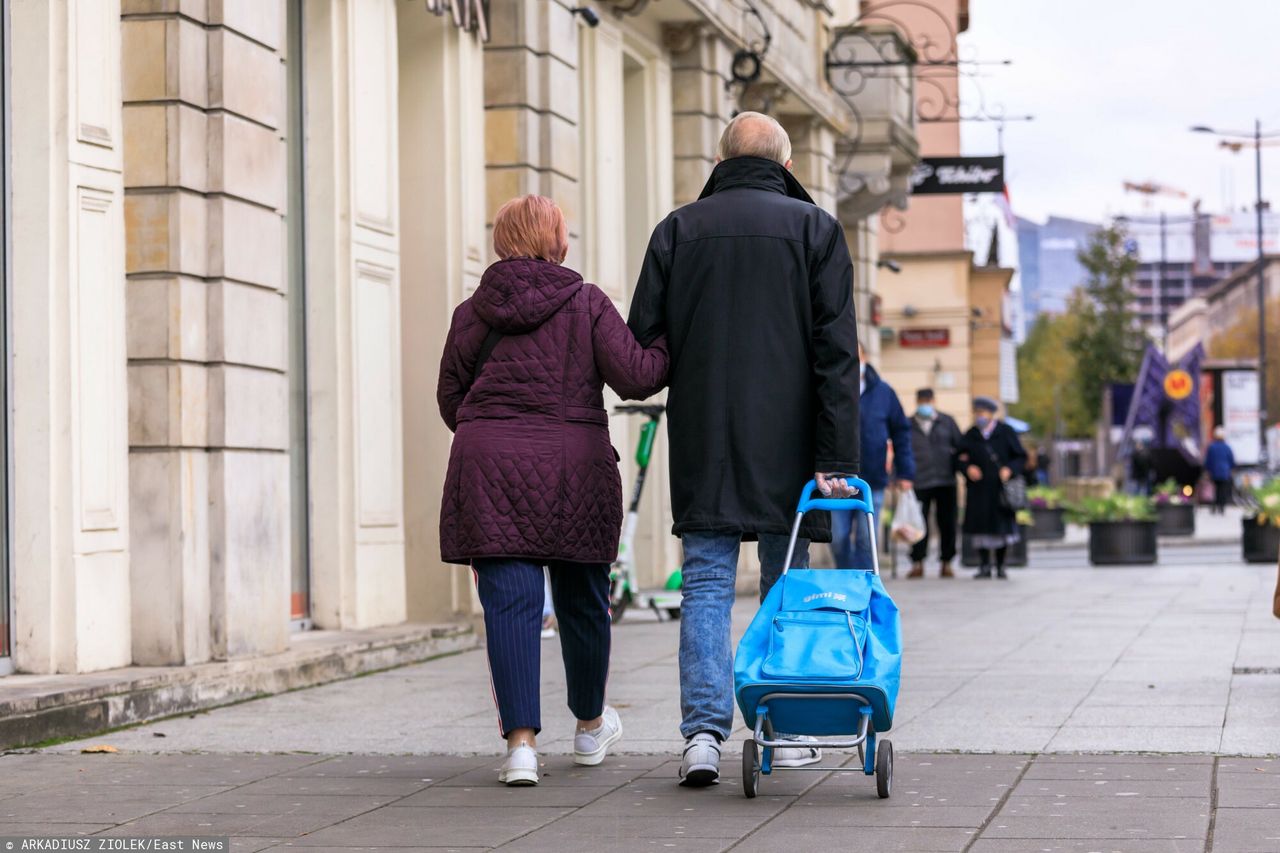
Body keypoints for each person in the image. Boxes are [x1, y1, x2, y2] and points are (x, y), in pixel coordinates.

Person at [627, 112, 860, 786]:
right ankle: (781, 731)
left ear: (723, 158)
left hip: (705, 437)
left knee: (704, 583)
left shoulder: (677, 231)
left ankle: (702, 736)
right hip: (793, 447)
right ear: (786, 166)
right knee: (783, 584)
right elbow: (836, 359)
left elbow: (647, 342)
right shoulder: (816, 231)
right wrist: (837, 460)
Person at [437, 195, 668, 786]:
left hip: (489, 469)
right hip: (575, 469)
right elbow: (637, 375)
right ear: (557, 242)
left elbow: (451, 400)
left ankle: (520, 748)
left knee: (510, 607)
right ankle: (590, 728)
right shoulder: (587, 302)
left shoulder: (471, 312)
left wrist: (496, 428)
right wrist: (670, 337)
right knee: (583, 602)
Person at [831, 347, 914, 571]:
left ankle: (862, 586)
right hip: (838, 479)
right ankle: (845, 580)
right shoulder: (832, 388)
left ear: (865, 357)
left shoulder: (884, 392)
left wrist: (905, 472)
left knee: (866, 540)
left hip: (873, 477)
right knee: (838, 538)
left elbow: (901, 432)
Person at [957, 397, 1027, 580]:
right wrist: (967, 469)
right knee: (980, 529)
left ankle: (1001, 565)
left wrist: (1009, 469)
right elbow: (957, 458)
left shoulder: (1006, 432)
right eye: (976, 413)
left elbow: (1020, 456)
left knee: (1001, 528)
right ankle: (984, 565)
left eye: (982, 413)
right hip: (978, 490)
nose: (979, 416)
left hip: (999, 490)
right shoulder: (970, 434)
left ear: (991, 413)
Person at [907, 388, 960, 579]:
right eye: (922, 401)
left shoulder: (947, 422)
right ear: (917, 402)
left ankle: (946, 562)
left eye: (928, 400)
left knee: (947, 523)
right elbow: (901, 450)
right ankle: (917, 561)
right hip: (919, 481)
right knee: (918, 523)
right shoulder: (909, 424)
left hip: (946, 480)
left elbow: (960, 447)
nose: (925, 404)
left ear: (934, 401)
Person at [1205, 426, 1236, 515]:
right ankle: (1221, 507)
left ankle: (1214, 506)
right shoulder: (1227, 447)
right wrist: (1231, 468)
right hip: (1224, 472)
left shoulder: (1211, 447)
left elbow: (1208, 460)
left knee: (1214, 490)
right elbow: (1231, 460)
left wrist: (1207, 470)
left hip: (1214, 472)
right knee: (1222, 490)